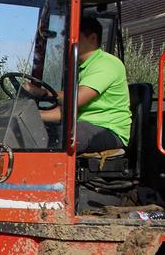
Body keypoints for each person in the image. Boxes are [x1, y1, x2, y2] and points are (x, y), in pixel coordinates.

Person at [39, 15, 131, 153]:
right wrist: (34, 116)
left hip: (108, 130)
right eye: (66, 36)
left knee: (63, 136)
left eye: (73, 36)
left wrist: (43, 93)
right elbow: (66, 111)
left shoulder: (106, 64)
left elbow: (76, 100)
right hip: (83, 125)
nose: (67, 40)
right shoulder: (79, 68)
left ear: (92, 38)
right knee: (38, 131)